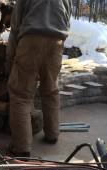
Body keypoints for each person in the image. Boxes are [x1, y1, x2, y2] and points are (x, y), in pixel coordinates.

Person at [6, 0, 72, 157]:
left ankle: (21, 148)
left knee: (21, 94)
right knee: (50, 90)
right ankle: (52, 134)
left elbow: (15, 27)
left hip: (31, 40)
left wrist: (10, 59)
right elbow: (67, 19)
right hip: (57, 41)